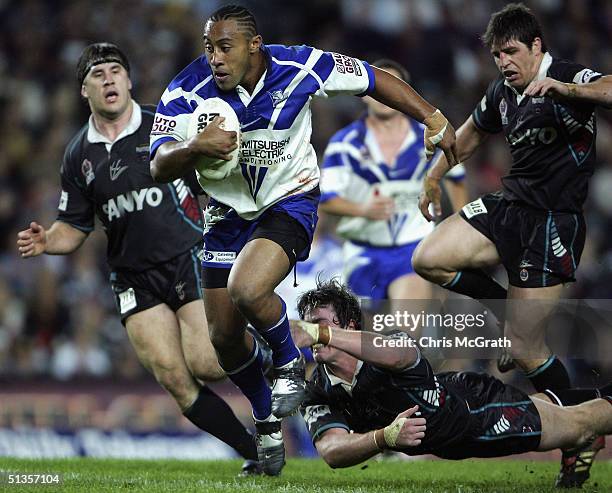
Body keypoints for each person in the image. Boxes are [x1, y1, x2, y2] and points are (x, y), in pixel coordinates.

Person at [149, 4, 458, 476]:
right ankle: (266, 420)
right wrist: (196, 147)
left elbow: (374, 79)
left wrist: (432, 116)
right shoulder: (186, 89)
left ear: (255, 46)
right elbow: (158, 162)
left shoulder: (301, 66)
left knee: (248, 288)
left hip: (289, 202)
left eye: (225, 47)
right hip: (226, 214)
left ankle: (290, 364)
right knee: (224, 340)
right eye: (209, 47)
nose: (214, 57)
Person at [16, 43, 262, 475]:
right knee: (174, 377)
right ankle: (255, 452)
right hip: (132, 276)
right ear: (84, 91)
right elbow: (73, 226)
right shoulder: (78, 155)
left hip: (187, 255)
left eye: (116, 71)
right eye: (98, 74)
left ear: (129, 80)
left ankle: (278, 352)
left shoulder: (161, 125)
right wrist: (47, 240)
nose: (108, 79)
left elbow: (212, 179)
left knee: (207, 361)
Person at [412, 4, 611, 485]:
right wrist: (435, 175)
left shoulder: (566, 76)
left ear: (537, 46)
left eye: (512, 52)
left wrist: (566, 89)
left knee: (523, 348)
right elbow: (474, 131)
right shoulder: (502, 91)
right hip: (508, 206)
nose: (504, 61)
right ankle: (501, 306)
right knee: (428, 258)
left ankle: (580, 433)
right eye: (498, 53)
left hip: (552, 223)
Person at [294, 279, 612, 488]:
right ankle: (580, 440)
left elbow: (399, 354)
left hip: (478, 413)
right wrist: (382, 438)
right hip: (450, 430)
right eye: (307, 325)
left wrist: (321, 334)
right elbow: (332, 451)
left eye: (319, 324)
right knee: (560, 407)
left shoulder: (385, 345)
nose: (311, 333)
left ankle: (581, 438)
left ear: (348, 325)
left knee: (580, 422)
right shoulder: (318, 389)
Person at [319, 59, 467, 301]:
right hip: (362, 251)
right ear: (363, 94)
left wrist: (460, 229)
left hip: (414, 248)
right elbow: (325, 200)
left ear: (404, 94)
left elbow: (457, 176)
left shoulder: (427, 137)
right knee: (364, 335)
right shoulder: (344, 143)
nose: (384, 96)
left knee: (402, 333)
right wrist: (362, 209)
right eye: (378, 88)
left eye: (393, 88)